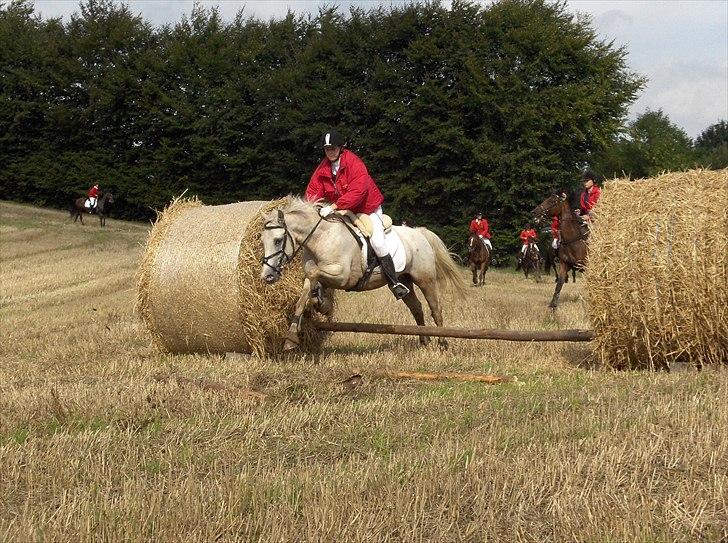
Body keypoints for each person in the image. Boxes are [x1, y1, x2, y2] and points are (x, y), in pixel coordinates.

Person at [305, 129, 410, 300]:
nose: (329, 152)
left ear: (340, 148)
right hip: (343, 209)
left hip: (367, 208)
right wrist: (311, 207)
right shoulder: (323, 167)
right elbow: (313, 190)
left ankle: (394, 282)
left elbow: (358, 192)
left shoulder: (354, 162)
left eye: (332, 148)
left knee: (377, 241)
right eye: (326, 149)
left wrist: (334, 206)